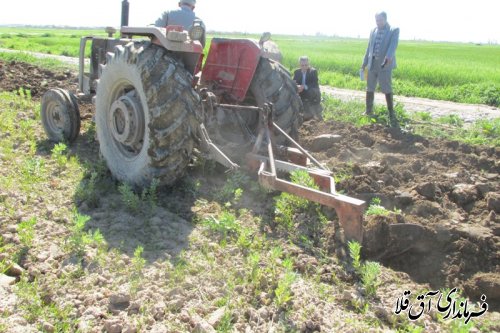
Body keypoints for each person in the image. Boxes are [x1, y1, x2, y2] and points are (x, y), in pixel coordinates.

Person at [361, 11, 400, 127]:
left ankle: (391, 113)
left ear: (385, 19)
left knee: (387, 88)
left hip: (385, 64)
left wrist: (388, 57)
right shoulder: (373, 31)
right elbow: (369, 48)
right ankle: (368, 111)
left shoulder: (393, 30)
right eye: (376, 20)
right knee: (370, 87)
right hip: (372, 63)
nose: (378, 22)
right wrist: (364, 63)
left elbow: (393, 45)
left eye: (380, 20)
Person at [293, 56, 323, 120]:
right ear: (299, 65)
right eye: (302, 65)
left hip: (311, 92)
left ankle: (313, 109)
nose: (304, 67)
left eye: (306, 65)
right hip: (301, 91)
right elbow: (294, 82)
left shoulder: (313, 72)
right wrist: (297, 87)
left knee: (313, 91)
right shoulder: (296, 72)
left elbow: (314, 83)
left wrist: (304, 86)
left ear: (308, 64)